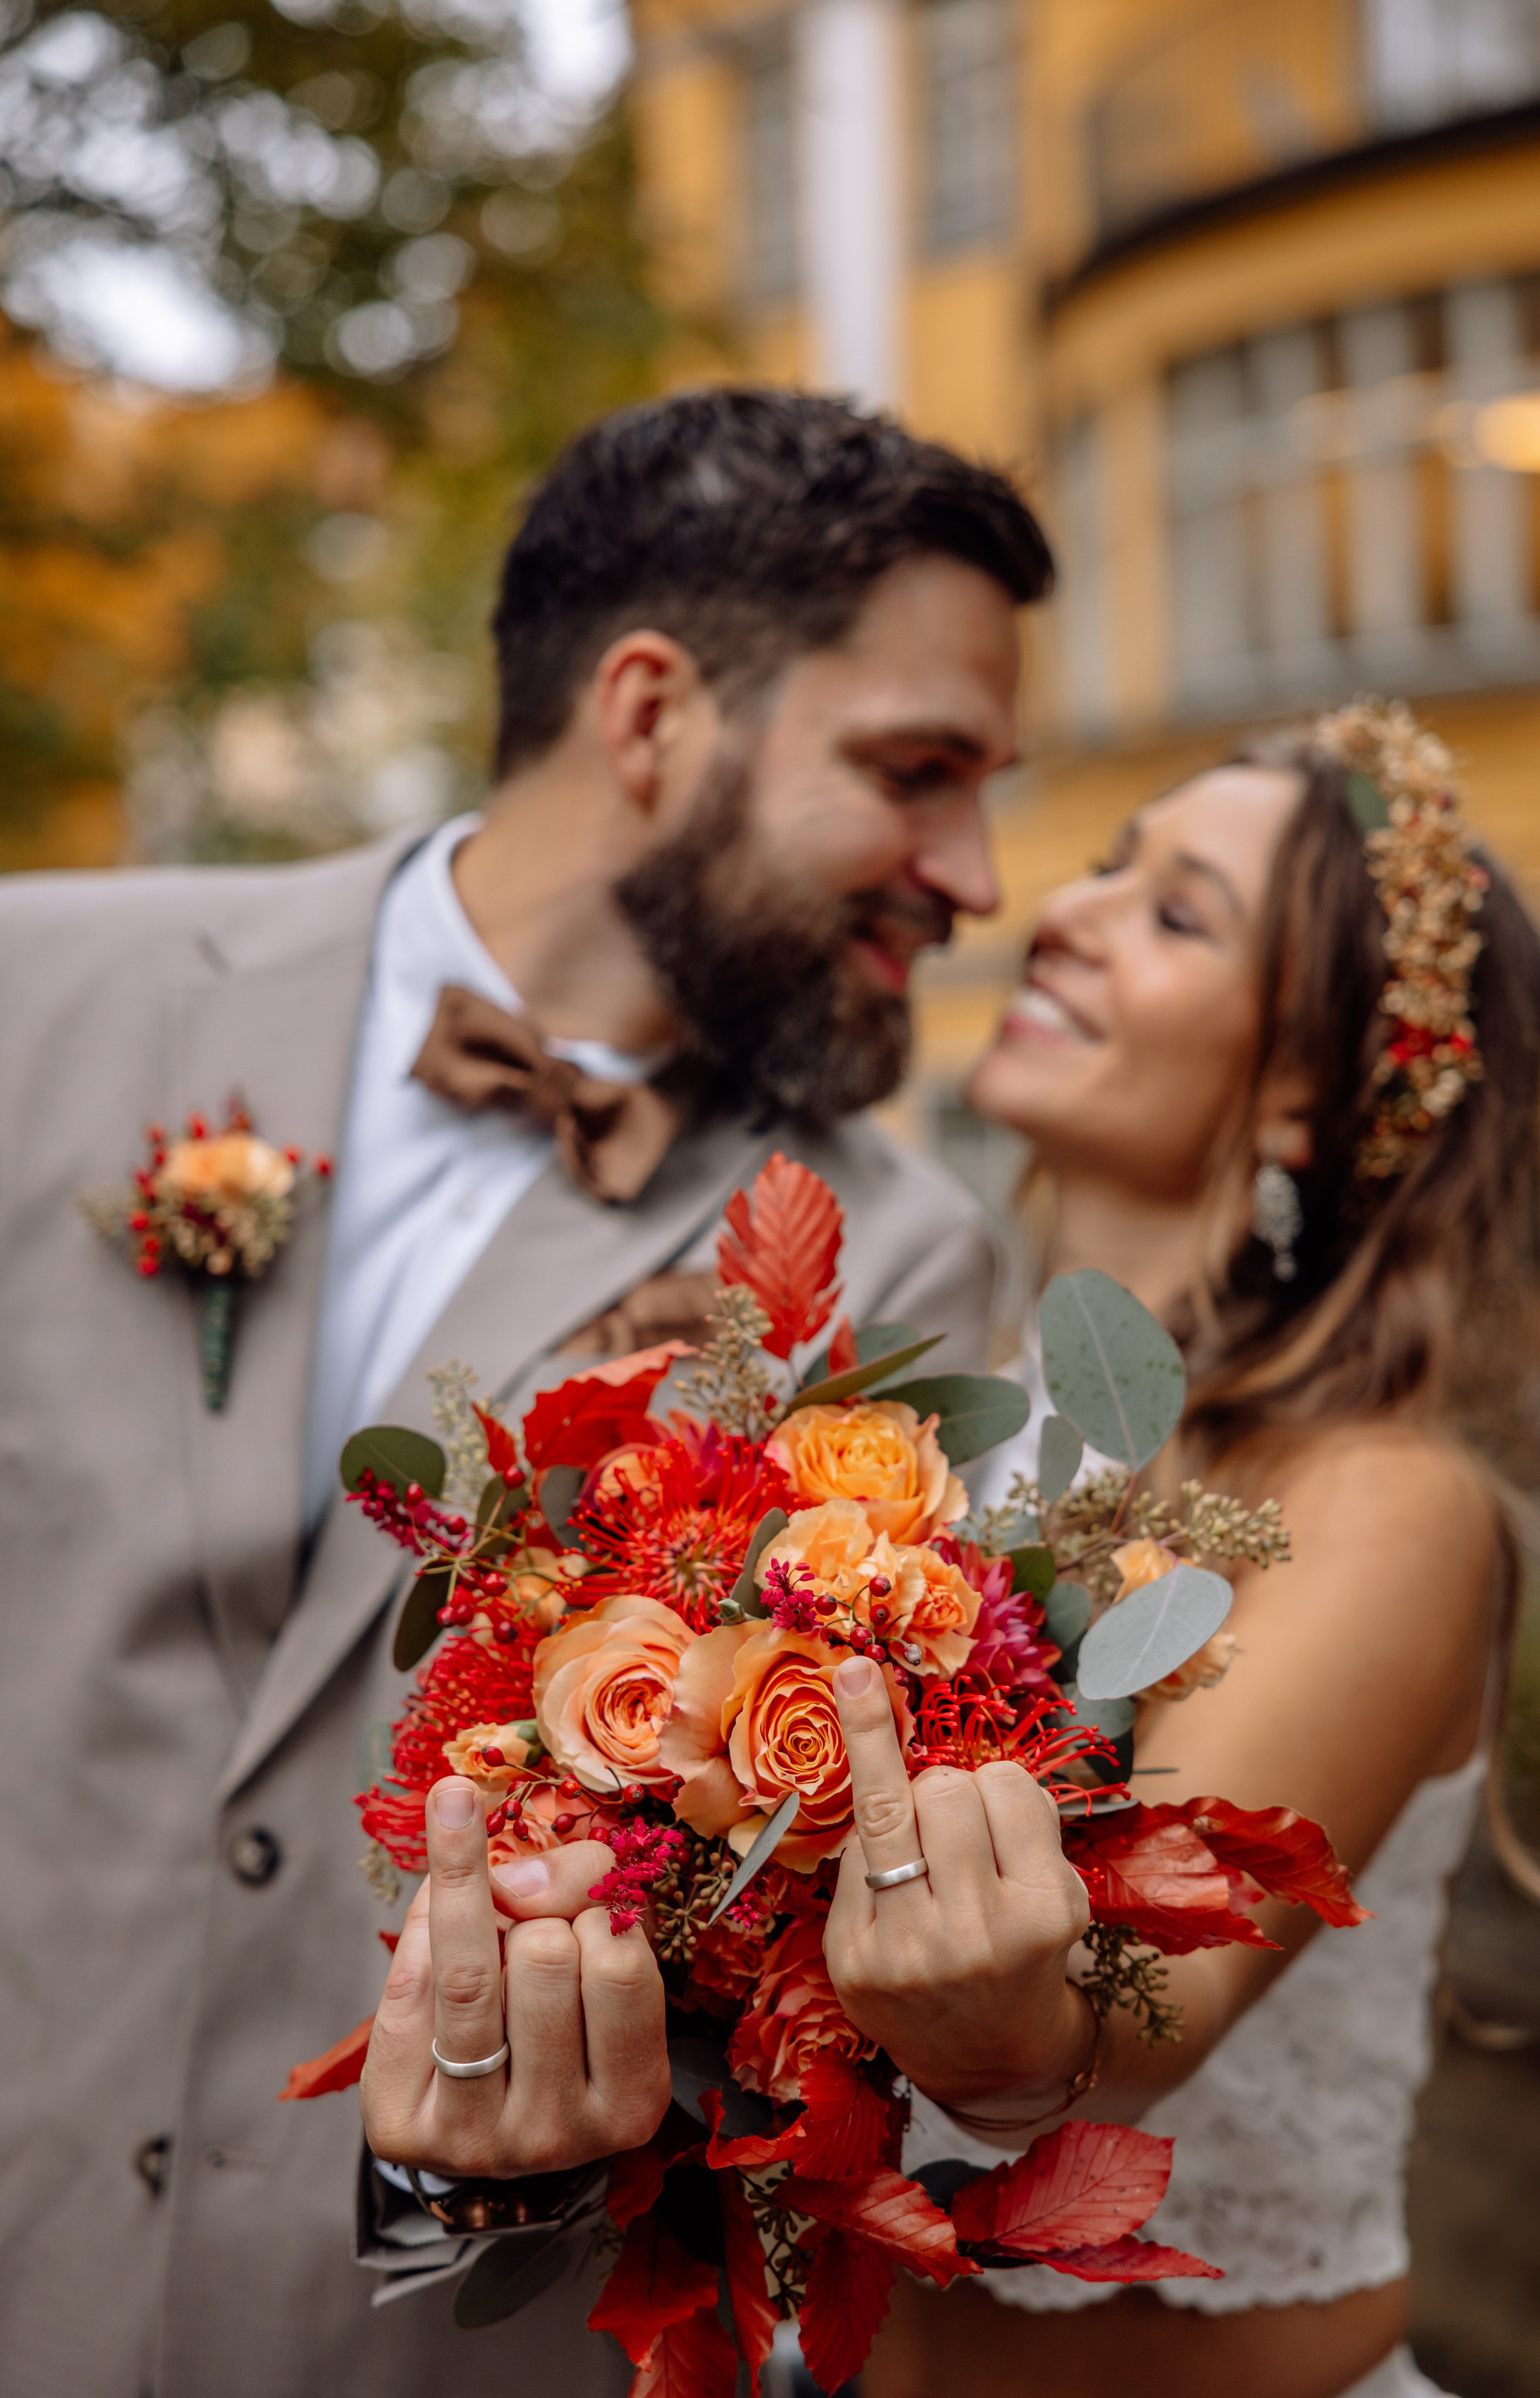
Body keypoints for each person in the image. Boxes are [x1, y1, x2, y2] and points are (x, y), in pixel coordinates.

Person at [0, 388, 1055, 2398]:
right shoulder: (33, 996)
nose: (973, 873)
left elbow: (770, 1974)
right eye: (917, 772)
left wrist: (465, 2193)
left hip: (406, 2342)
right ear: (653, 715)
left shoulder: (890, 1263)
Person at [838, 702, 1540, 2398]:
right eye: (1103, 868)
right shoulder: (912, 1439)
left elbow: (1120, 2024)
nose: (1063, 912)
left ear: (1308, 1078)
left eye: (1175, 913)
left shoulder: (1380, 1499)